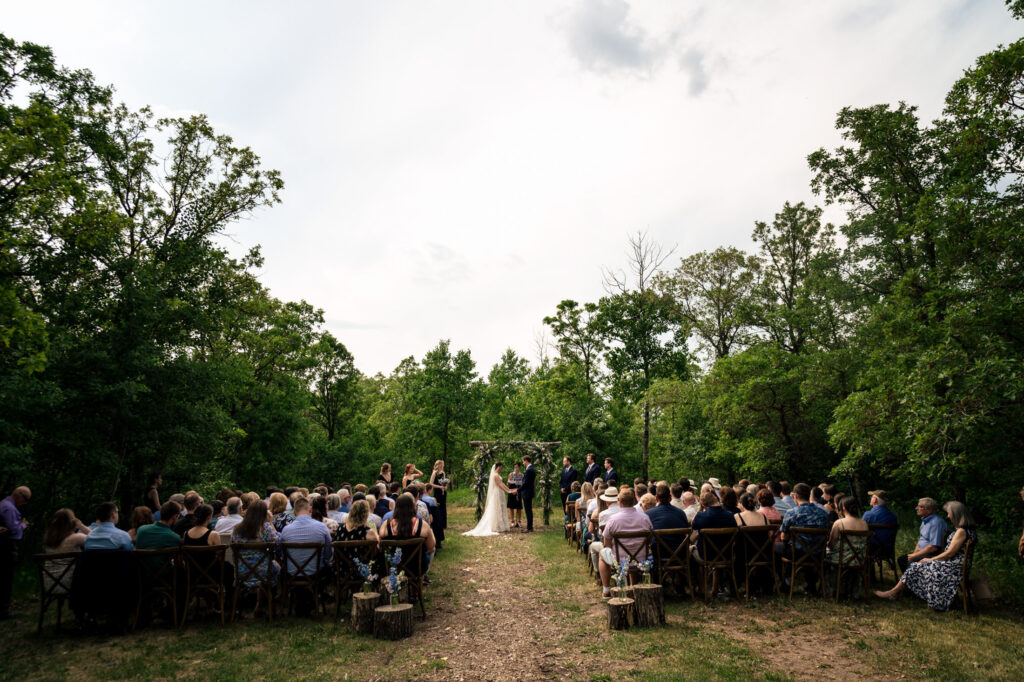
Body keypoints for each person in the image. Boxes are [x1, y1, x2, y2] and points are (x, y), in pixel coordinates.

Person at [875, 501, 978, 611]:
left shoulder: (961, 531)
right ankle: (897, 592)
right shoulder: (966, 530)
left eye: (949, 513)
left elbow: (950, 553)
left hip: (954, 567)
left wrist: (930, 559)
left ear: (956, 514)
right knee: (915, 565)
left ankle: (894, 592)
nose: (948, 516)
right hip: (954, 564)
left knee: (915, 566)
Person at [774, 482, 830, 592]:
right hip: (819, 553)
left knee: (775, 548)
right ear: (809, 495)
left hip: (797, 553)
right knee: (808, 547)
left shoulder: (791, 513)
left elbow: (783, 536)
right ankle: (811, 583)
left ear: (795, 496)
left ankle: (786, 581)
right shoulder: (823, 513)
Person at [598, 488, 653, 598]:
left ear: (619, 502)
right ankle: (633, 585)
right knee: (633, 553)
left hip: (620, 560)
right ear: (634, 502)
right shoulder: (645, 518)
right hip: (641, 559)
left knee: (602, 554)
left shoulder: (613, 520)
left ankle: (606, 589)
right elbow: (649, 540)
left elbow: (607, 544)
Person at [279, 497, 333, 592]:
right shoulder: (322, 527)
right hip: (316, 573)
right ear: (310, 510)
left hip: (292, 574)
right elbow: (328, 554)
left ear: (294, 513)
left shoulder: (286, 530)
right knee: (329, 567)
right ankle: (319, 592)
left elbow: (282, 555)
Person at [231, 500, 280, 589]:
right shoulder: (265, 528)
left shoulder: (237, 529)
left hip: (241, 570)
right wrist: (271, 523)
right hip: (263, 570)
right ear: (264, 514)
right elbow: (278, 541)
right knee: (277, 566)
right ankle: (271, 597)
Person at [381, 494, 436, 569]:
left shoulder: (386, 525)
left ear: (396, 507)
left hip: (393, 567)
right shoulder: (421, 524)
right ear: (413, 506)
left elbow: (379, 545)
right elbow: (431, 546)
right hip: (416, 567)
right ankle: (422, 577)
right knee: (432, 550)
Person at [463, 462, 515, 536]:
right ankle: (497, 525)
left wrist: (509, 490)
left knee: (500, 507)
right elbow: (500, 485)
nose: (501, 468)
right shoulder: (495, 475)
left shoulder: (497, 474)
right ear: (499, 466)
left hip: (500, 492)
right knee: (497, 508)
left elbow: (502, 483)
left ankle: (501, 525)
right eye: (501, 467)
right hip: (497, 493)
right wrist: (508, 491)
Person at [899, 498, 949, 572]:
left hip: (933, 554)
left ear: (929, 510)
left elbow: (933, 547)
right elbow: (921, 540)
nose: (916, 508)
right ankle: (910, 581)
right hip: (924, 552)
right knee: (902, 559)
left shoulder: (936, 523)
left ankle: (912, 581)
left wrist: (915, 555)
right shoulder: (925, 520)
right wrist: (914, 553)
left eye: (920, 507)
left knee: (911, 560)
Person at [429, 460, 450, 530]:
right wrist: (439, 487)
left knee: (443, 506)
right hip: (437, 491)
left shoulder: (443, 473)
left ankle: (444, 524)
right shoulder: (434, 473)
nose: (443, 465)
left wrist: (445, 486)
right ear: (439, 465)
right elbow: (431, 483)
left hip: (443, 492)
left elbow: (444, 481)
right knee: (438, 506)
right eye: (442, 464)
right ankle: (438, 523)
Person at [519, 455, 537, 532]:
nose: (523, 463)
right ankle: (530, 527)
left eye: (523, 461)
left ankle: (529, 527)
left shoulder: (529, 470)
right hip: (528, 492)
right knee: (529, 510)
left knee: (528, 510)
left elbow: (525, 483)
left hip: (527, 493)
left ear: (526, 460)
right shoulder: (531, 469)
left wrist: (518, 490)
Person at [507, 461, 524, 528]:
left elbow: (523, 484)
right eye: (514, 467)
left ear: (519, 467)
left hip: (518, 491)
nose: (515, 468)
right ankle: (512, 521)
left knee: (519, 507)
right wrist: (509, 480)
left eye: (517, 467)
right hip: (511, 490)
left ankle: (519, 521)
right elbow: (508, 484)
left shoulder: (522, 475)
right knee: (511, 506)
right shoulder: (511, 474)